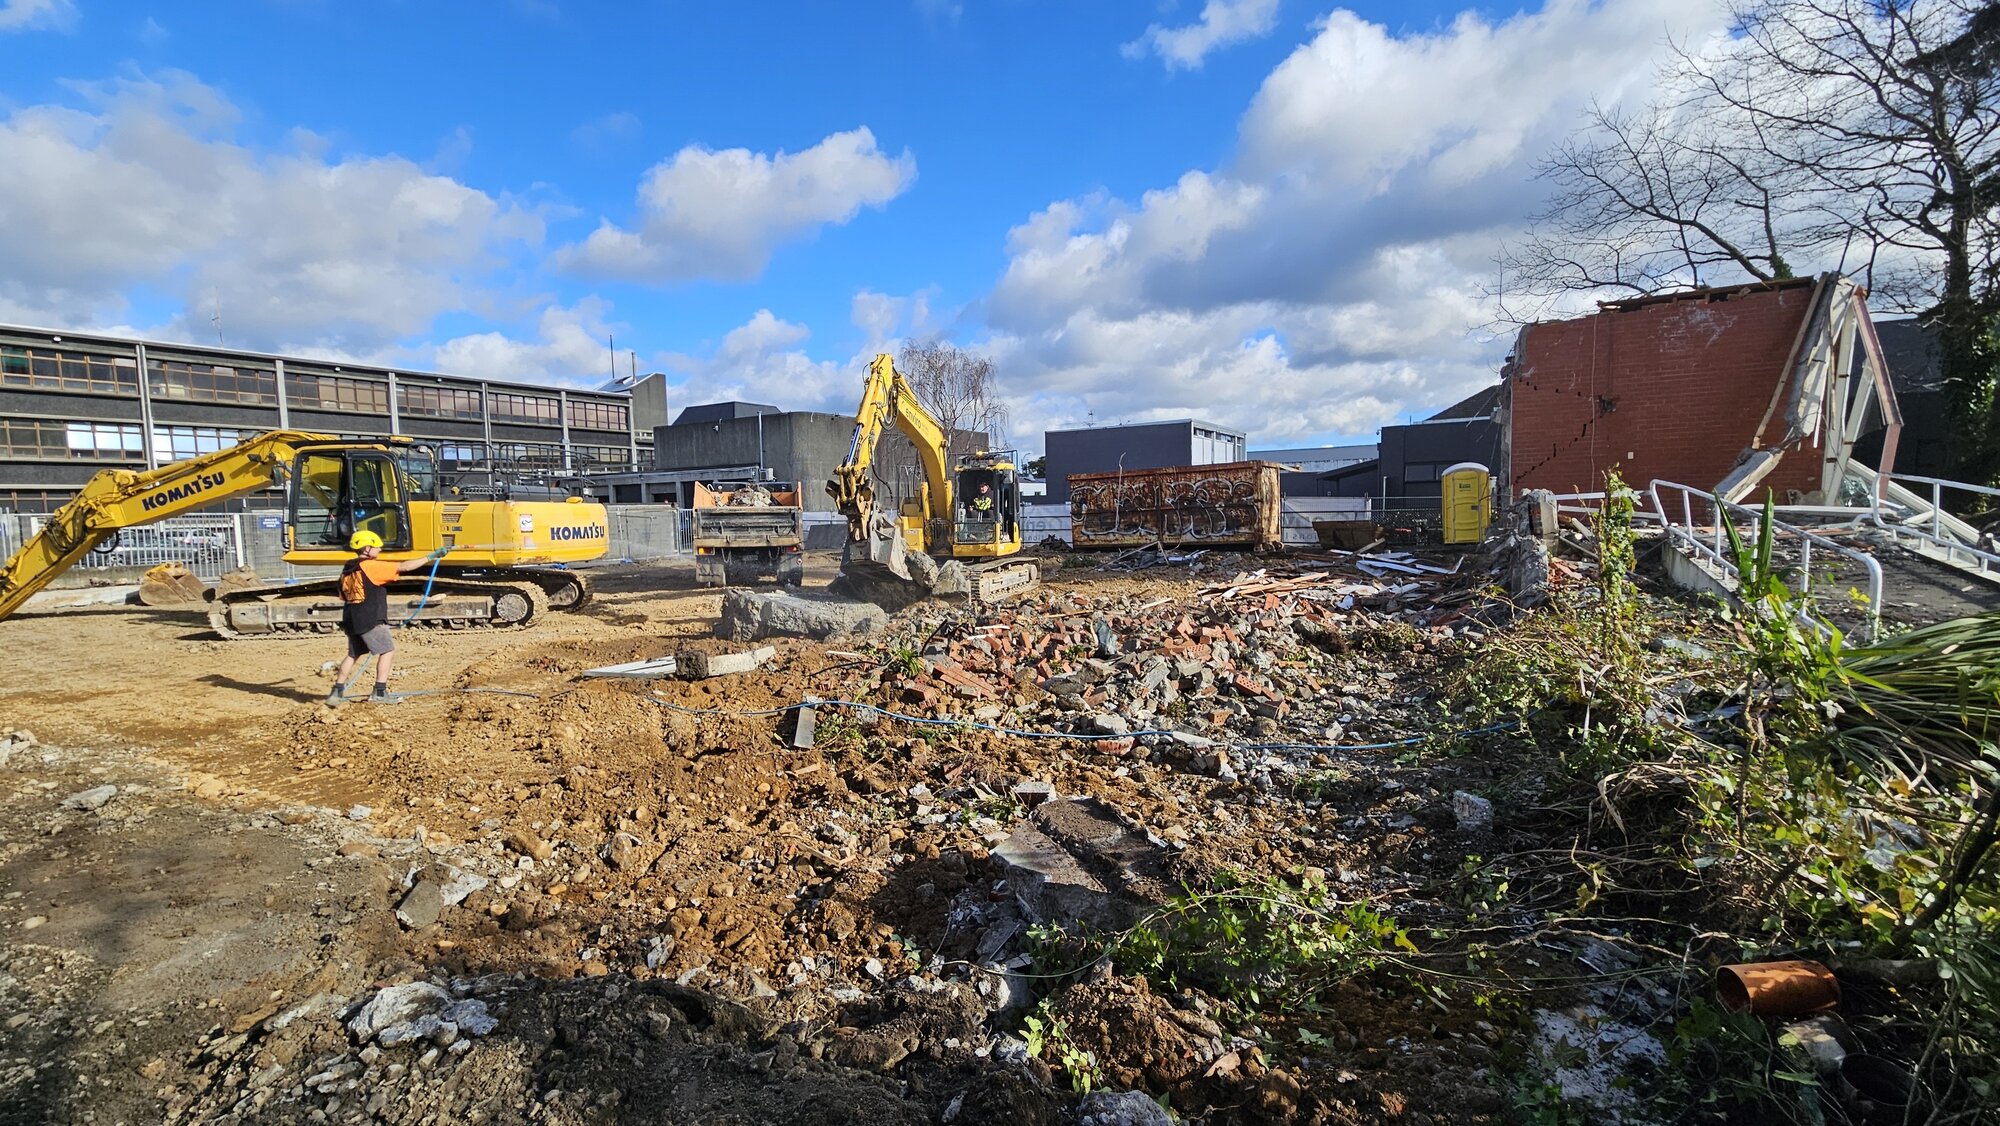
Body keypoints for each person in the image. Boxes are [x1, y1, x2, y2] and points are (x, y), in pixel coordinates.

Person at [328, 530, 446, 704]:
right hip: (371, 619)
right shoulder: (371, 566)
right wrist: (431, 556)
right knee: (387, 651)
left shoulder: (347, 568)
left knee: (353, 654)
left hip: (352, 618)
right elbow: (404, 567)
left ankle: (336, 693)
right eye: (377, 547)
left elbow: (342, 596)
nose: (380, 549)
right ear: (367, 549)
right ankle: (380, 692)